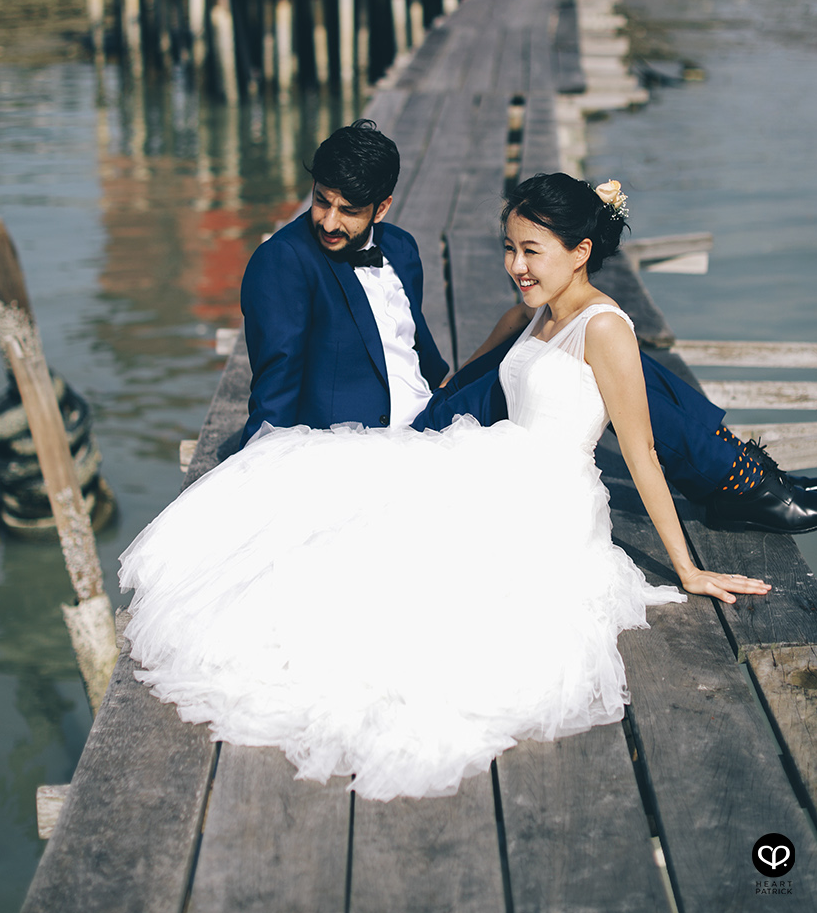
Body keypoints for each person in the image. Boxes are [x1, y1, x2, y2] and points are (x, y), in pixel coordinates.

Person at [120, 171, 770, 802]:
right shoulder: (541, 309)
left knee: (429, 601)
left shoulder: (603, 329)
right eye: (509, 249)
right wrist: (451, 381)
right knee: (353, 537)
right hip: (490, 462)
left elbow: (642, 451)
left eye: (531, 252)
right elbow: (499, 348)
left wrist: (685, 568)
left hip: (546, 503)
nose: (517, 266)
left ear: (580, 253)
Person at [220, 120, 817, 535]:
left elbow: (411, 345)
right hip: (384, 445)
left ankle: (741, 473)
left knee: (595, 336)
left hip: (435, 405)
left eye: (349, 208)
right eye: (322, 200)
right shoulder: (281, 263)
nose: (327, 219)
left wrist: (459, 374)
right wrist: (261, 477)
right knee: (607, 349)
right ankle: (741, 481)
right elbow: (273, 391)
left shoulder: (399, 247)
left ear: (383, 207)